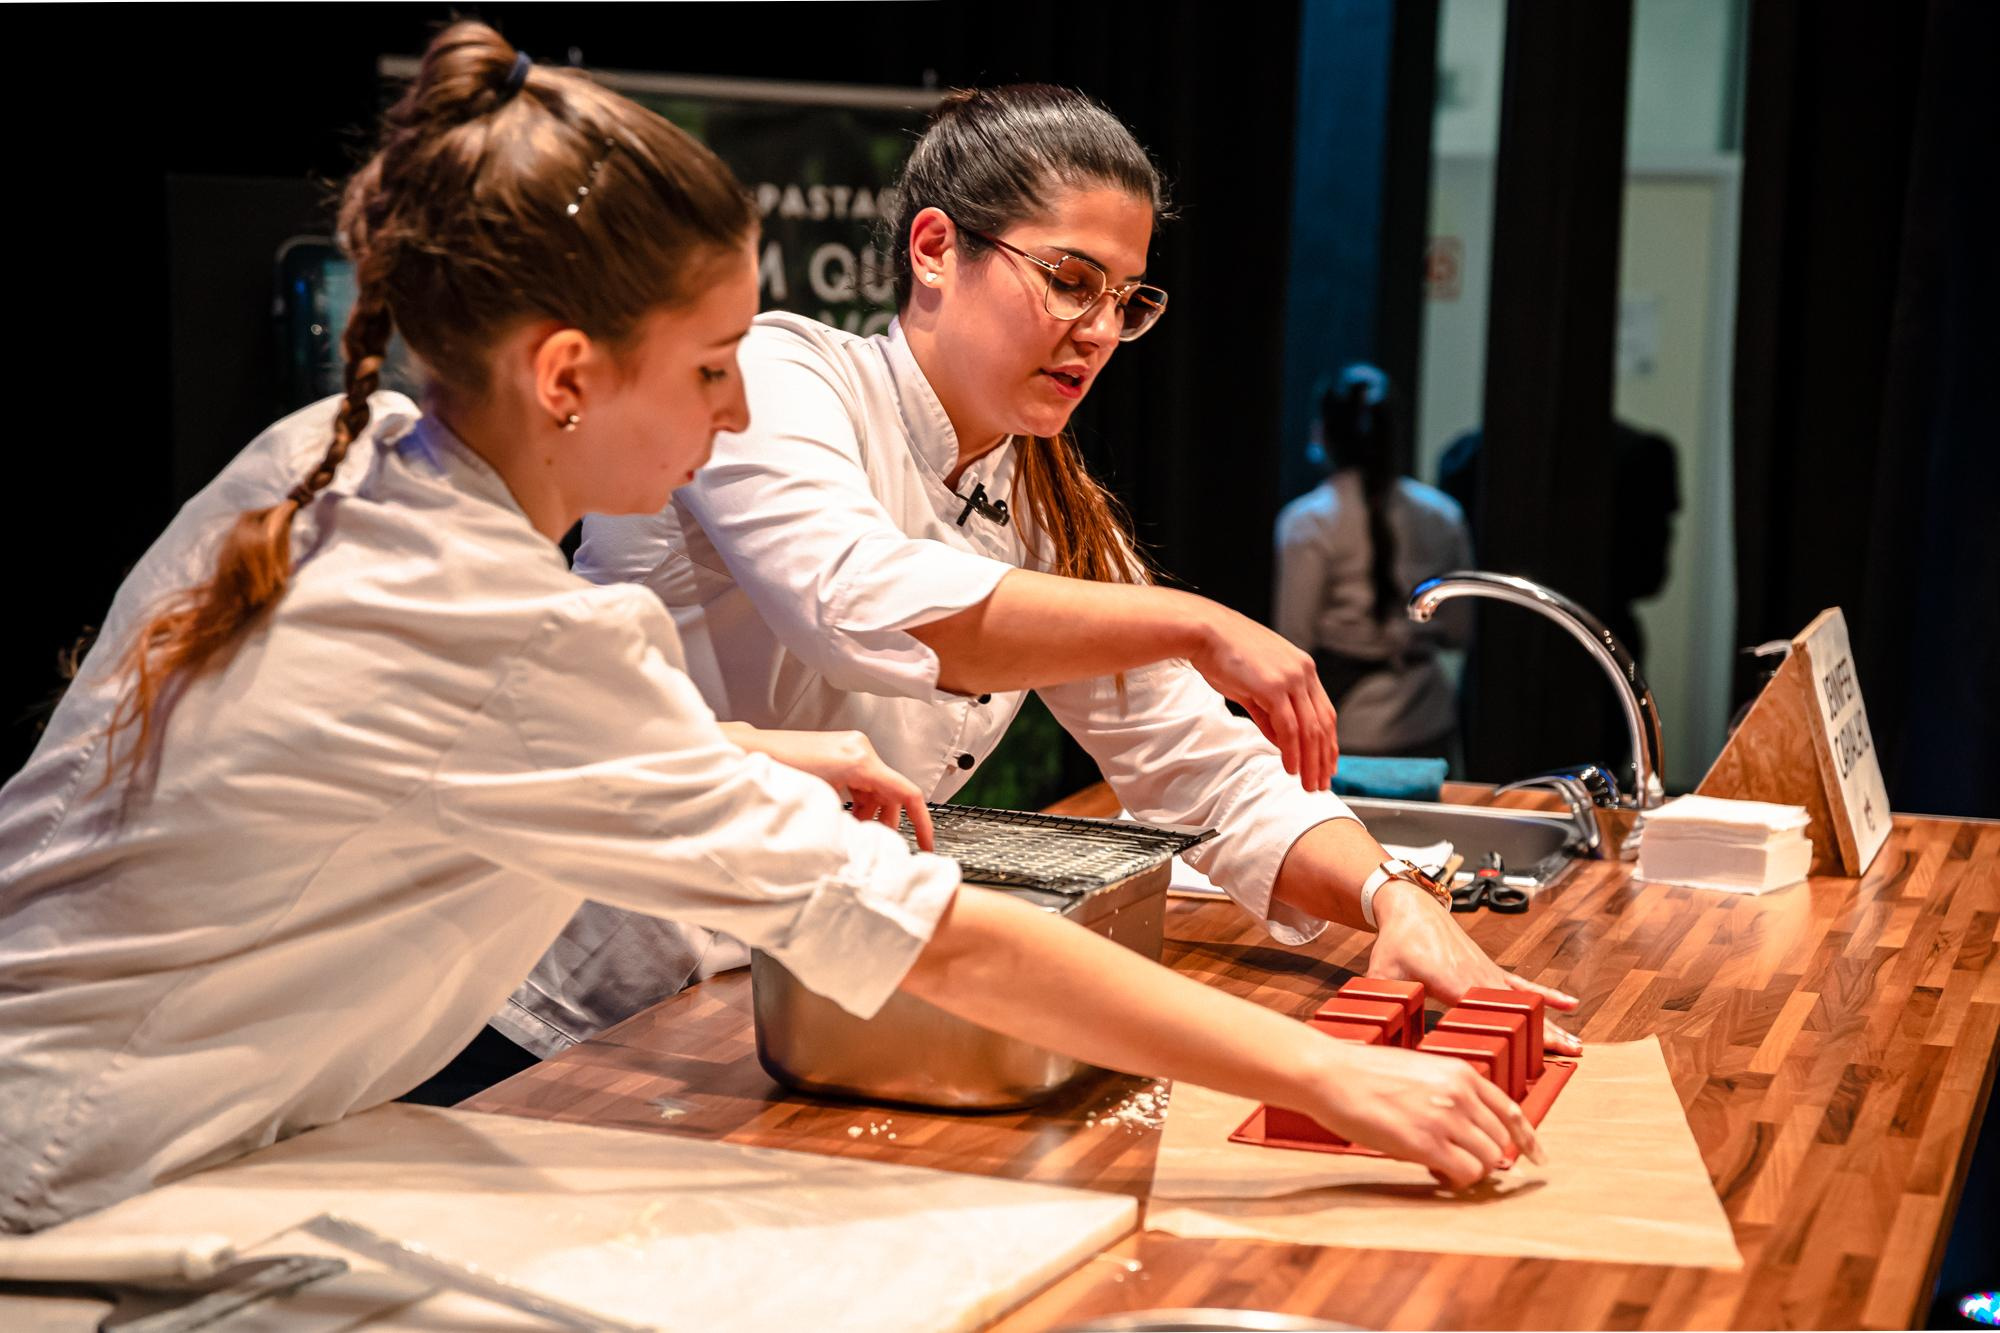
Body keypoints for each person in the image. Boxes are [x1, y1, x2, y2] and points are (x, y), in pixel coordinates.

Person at [0, 28, 1543, 1233]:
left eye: (1123, 301)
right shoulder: (551, 593)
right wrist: (1332, 1072)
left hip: (163, 1107)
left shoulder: (324, 458)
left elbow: (377, 742)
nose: (731, 411)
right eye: (710, 365)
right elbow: (919, 846)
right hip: (115, 1152)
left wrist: (740, 744)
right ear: (564, 374)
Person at [510, 85, 1581, 1063]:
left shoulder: (1049, 502)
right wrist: (1192, 620)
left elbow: (1201, 765)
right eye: (1070, 282)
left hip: (788, 997)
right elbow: (855, 601)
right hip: (580, 1003)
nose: (1101, 332)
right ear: (935, 248)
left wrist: (1394, 897)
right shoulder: (783, 378)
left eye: (1127, 300)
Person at [1272, 365, 1474, 758]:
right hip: (1428, 714)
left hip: (1348, 722)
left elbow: (1293, 640)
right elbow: (1461, 631)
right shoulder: (1441, 513)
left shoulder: (1310, 519)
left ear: (1324, 433)